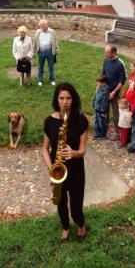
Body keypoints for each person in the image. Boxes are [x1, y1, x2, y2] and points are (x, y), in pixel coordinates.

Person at [41, 83, 89, 241]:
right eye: (61, 98)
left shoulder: (81, 120)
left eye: (68, 98)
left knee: (76, 208)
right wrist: (51, 168)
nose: (65, 102)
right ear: (57, 99)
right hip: (57, 170)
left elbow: (83, 150)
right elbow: (44, 148)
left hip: (76, 170)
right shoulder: (49, 121)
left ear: (73, 100)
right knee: (60, 205)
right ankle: (66, 227)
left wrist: (74, 153)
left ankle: (80, 224)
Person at [101, 45, 127, 141]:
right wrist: (100, 87)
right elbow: (103, 74)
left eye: (107, 52)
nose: (105, 54)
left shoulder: (120, 64)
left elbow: (122, 81)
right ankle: (104, 130)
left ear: (114, 53)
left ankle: (117, 132)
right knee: (104, 111)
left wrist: (114, 92)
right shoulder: (106, 60)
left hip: (114, 93)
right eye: (105, 52)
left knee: (116, 113)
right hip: (105, 91)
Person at [33, 19, 59, 86]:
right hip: (41, 52)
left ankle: (52, 79)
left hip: (50, 52)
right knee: (40, 67)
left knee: (51, 67)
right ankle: (40, 80)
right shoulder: (37, 32)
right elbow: (35, 42)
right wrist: (34, 52)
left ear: (47, 25)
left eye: (44, 25)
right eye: (41, 25)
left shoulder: (52, 32)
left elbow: (55, 42)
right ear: (39, 26)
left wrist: (56, 50)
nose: (43, 27)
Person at [92, 74, 110, 139]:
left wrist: (103, 110)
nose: (97, 83)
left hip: (101, 109)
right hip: (96, 107)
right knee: (96, 121)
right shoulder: (98, 88)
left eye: (98, 82)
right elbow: (95, 96)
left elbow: (105, 101)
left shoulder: (106, 89)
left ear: (103, 83)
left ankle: (103, 134)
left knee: (101, 122)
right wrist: (93, 103)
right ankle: (97, 133)